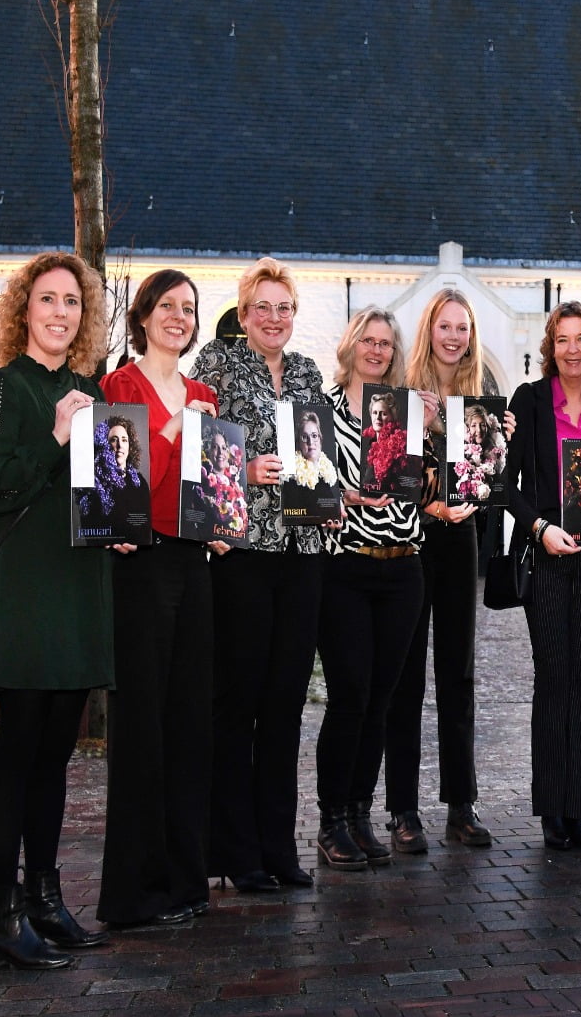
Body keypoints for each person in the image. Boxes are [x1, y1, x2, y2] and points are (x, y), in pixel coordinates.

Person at [0, 251, 113, 970]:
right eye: (48, 299)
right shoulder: (4, 389)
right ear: (23, 310)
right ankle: (0, 916)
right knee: (19, 750)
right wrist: (56, 433)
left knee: (55, 758)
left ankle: (45, 900)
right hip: (29, 594)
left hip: (80, 587)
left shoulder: (91, 391)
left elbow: (102, 493)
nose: (61, 313)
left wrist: (121, 522)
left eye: (72, 302)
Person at [191, 257, 328, 892]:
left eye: (284, 308)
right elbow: (194, 448)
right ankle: (235, 851)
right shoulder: (217, 366)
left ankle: (279, 847)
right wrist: (242, 471)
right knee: (237, 702)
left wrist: (332, 491)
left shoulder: (307, 373)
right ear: (243, 315)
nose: (275, 318)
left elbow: (319, 455)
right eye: (263, 308)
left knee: (286, 703)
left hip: (301, 552)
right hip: (241, 551)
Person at [97, 269, 220, 926]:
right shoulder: (119, 388)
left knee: (190, 722)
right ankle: (134, 894)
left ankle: (184, 881)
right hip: (141, 565)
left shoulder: (205, 394)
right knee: (141, 725)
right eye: (167, 306)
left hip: (194, 563)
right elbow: (121, 494)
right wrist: (173, 430)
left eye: (189, 308)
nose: (179, 316)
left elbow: (208, 489)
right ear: (143, 315)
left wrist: (225, 513)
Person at [313, 306, 435, 870]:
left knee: (381, 700)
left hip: (404, 569)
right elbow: (307, 485)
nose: (377, 350)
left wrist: (433, 434)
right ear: (351, 345)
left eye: (386, 343)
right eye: (368, 340)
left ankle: (361, 812)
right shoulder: (324, 409)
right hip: (348, 569)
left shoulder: (406, 414)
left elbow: (430, 489)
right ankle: (331, 819)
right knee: (350, 697)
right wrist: (342, 496)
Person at [505, 301, 581, 850]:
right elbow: (505, 484)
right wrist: (540, 528)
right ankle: (552, 807)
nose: (572, 350)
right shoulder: (529, 402)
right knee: (553, 679)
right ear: (550, 348)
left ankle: (579, 808)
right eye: (562, 340)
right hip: (548, 553)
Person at [385, 288, 492, 853]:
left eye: (462, 327)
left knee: (459, 672)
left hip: (461, 539)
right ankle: (402, 809)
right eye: (445, 326)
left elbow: (486, 482)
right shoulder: (403, 394)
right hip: (414, 536)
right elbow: (390, 475)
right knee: (406, 675)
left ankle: (461, 804)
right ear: (429, 330)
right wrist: (430, 503)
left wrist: (497, 446)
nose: (454, 336)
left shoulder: (480, 400)